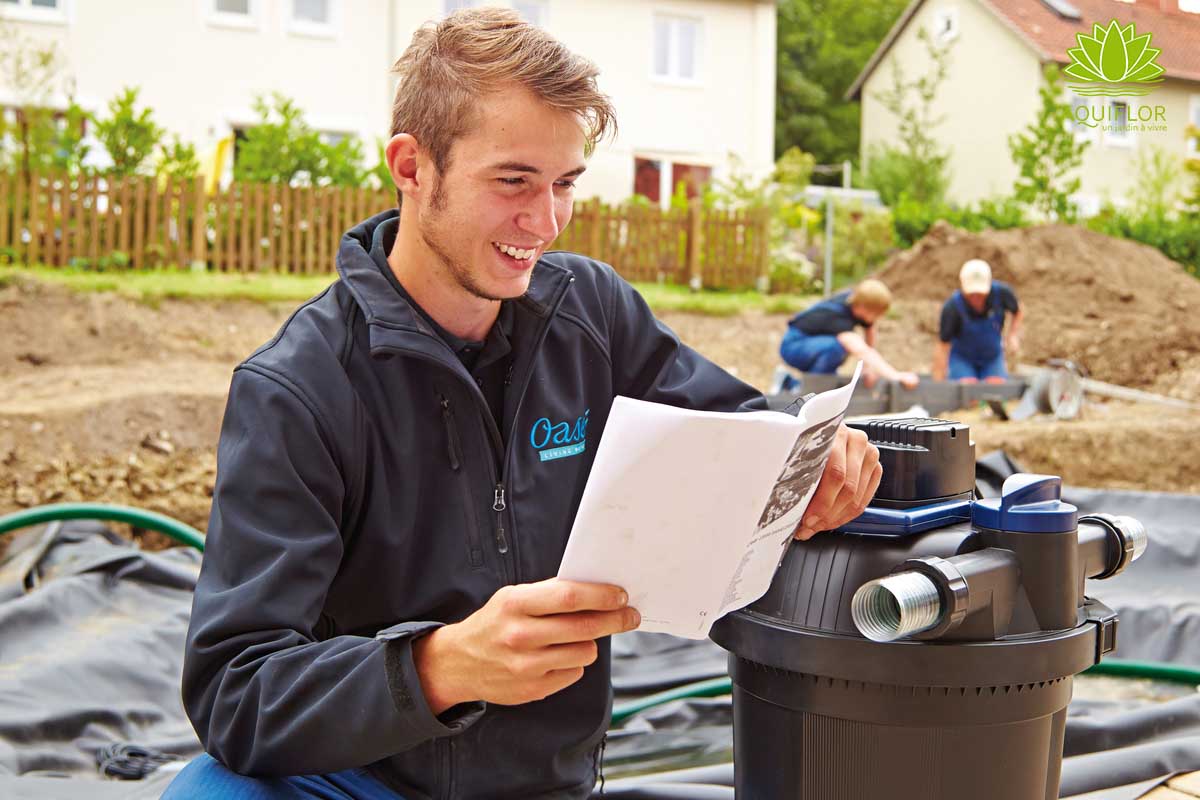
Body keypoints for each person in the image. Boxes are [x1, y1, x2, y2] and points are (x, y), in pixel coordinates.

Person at [163, 9, 882, 799]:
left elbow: (733, 426)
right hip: (359, 782)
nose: (543, 224)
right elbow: (236, 690)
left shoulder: (592, 315)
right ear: (411, 166)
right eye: (513, 182)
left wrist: (810, 454)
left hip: (548, 785)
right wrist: (435, 670)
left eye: (564, 184)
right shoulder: (299, 389)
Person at [775, 279, 919, 391]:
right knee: (836, 348)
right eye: (876, 314)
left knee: (836, 348)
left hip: (811, 343)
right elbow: (860, 349)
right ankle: (807, 389)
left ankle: (789, 382)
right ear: (864, 308)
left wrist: (868, 369)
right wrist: (896, 376)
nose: (877, 318)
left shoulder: (854, 302)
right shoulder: (838, 316)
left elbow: (870, 331)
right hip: (793, 345)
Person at [932, 259, 1023, 384]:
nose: (976, 298)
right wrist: (938, 381)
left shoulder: (1002, 294)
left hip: (992, 357)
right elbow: (943, 346)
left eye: (980, 294)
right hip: (962, 359)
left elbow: (1017, 311)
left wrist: (1013, 335)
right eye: (971, 294)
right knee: (967, 392)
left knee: (995, 389)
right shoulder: (952, 308)